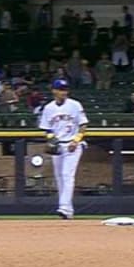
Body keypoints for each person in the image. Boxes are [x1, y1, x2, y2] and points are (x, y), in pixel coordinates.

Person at [39, 79, 88, 220]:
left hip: (73, 145)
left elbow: (83, 125)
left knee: (67, 175)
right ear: (54, 91)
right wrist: (51, 139)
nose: (63, 92)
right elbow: (46, 128)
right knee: (59, 177)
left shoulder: (75, 105)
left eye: (65, 89)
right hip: (58, 146)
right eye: (60, 89)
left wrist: (77, 140)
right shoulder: (49, 108)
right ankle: (68, 211)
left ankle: (64, 207)